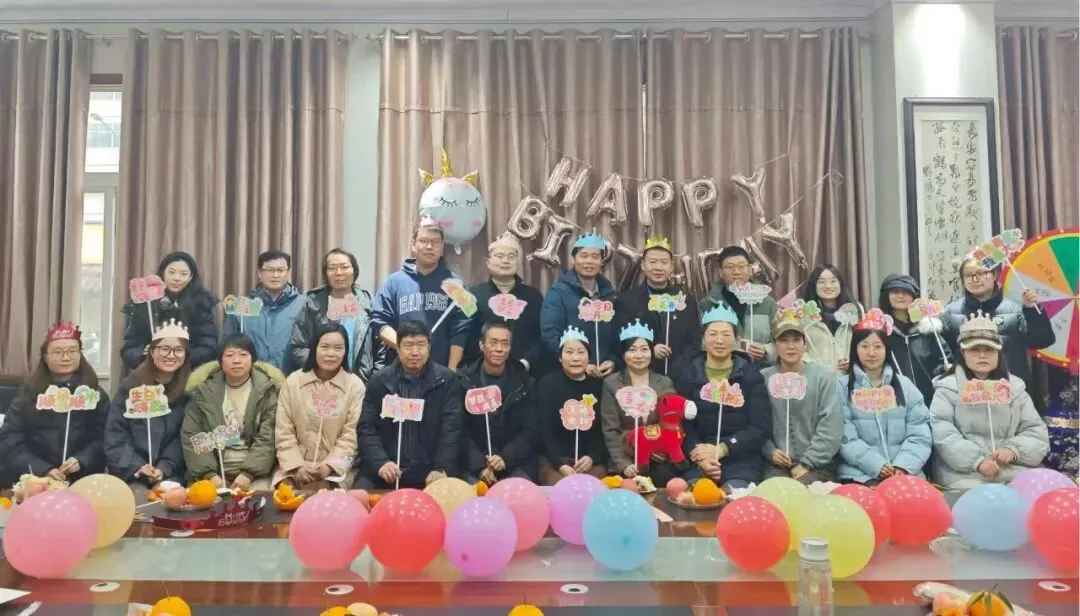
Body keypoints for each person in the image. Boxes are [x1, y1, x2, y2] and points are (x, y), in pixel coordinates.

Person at [930, 312, 1050, 490]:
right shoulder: (947, 389)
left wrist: (1013, 450)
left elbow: (1036, 432)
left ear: (998, 352)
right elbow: (944, 435)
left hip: (1012, 470)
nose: (982, 355)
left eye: (989, 349)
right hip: (964, 474)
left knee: (1040, 490)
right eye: (974, 349)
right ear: (963, 353)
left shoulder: (1015, 388)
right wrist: (977, 461)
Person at [355, 320, 463, 489]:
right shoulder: (379, 381)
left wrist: (441, 467)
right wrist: (381, 462)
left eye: (421, 345)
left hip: (429, 470)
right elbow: (366, 428)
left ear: (429, 347)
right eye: (408, 345)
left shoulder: (446, 380)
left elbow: (451, 428)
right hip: (386, 469)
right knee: (359, 495)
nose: (414, 352)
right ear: (397, 348)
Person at [674, 303, 771, 491]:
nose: (720, 340)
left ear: (736, 339)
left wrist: (723, 449)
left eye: (726, 335)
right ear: (703, 339)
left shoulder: (751, 375)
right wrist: (700, 456)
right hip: (698, 458)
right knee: (695, 495)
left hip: (740, 459)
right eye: (713, 334)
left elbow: (760, 426)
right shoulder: (687, 375)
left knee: (732, 496)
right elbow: (681, 423)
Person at [0, 322, 109, 487]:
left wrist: (82, 459)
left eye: (72, 351)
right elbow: (9, 439)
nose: (66, 357)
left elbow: (105, 437)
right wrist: (42, 469)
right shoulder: (29, 394)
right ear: (45, 356)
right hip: (35, 478)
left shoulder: (95, 394)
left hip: (83, 479)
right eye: (58, 352)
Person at [837, 309, 933, 486]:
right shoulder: (841, 387)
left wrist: (903, 466)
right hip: (860, 476)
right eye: (864, 346)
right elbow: (844, 437)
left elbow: (920, 433)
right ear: (855, 349)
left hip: (906, 475)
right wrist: (876, 466)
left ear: (886, 349)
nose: (871, 353)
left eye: (878, 346)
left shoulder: (905, 386)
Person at [601, 319, 698, 487]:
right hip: (625, 455)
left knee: (664, 478)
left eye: (644, 349)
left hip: (656, 457)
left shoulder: (664, 383)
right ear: (623, 354)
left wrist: (662, 448)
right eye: (632, 350)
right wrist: (624, 464)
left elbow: (671, 421)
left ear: (651, 352)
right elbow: (610, 429)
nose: (639, 355)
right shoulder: (611, 384)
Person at [181, 334, 282, 490]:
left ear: (253, 359)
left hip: (256, 473)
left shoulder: (267, 391)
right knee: (203, 499)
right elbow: (191, 435)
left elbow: (268, 438)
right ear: (220, 361)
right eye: (229, 355)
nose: (236, 360)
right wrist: (209, 475)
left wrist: (248, 474)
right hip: (214, 471)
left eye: (243, 354)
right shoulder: (203, 391)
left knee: (260, 497)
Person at [274, 322, 365, 489]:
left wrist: (329, 467)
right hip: (294, 468)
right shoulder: (293, 382)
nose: (331, 353)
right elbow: (284, 432)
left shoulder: (355, 386)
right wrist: (297, 467)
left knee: (329, 497)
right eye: (325, 347)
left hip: (336, 470)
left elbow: (351, 436)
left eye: (338, 348)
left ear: (345, 352)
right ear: (314, 348)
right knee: (285, 495)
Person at [372, 218, 469, 372]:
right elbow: (379, 322)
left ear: (442, 247)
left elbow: (461, 329)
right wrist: (407, 349)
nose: (429, 247)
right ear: (413, 245)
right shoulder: (393, 282)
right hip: (400, 372)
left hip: (441, 371)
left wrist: (451, 371)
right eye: (423, 241)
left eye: (435, 242)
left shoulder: (457, 284)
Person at [943, 258, 1055, 388]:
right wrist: (946, 369)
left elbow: (1042, 341)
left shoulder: (1015, 310)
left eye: (981, 273)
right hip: (968, 390)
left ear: (995, 275)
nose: (975, 279)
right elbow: (942, 352)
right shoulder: (951, 312)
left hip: (1009, 388)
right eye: (968, 275)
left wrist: (1032, 310)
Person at [760, 310, 843, 484]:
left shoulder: (823, 377)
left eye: (796, 340)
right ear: (774, 345)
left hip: (819, 465)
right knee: (776, 494)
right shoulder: (763, 378)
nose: (790, 346)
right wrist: (770, 451)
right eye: (784, 340)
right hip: (775, 464)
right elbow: (756, 423)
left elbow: (831, 426)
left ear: (805, 344)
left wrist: (807, 463)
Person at [106, 319, 191, 488]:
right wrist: (137, 466)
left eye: (178, 350)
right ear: (152, 351)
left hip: (174, 472)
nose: (171, 355)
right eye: (164, 349)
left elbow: (186, 436)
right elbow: (116, 433)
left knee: (169, 496)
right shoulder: (130, 386)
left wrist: (165, 467)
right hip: (133, 472)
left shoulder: (190, 389)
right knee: (138, 498)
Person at [458, 321, 537, 484]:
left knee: (520, 491)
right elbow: (459, 430)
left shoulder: (524, 382)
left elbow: (530, 431)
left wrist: (505, 458)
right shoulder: (464, 381)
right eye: (493, 343)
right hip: (473, 465)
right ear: (481, 345)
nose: (499, 349)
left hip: (513, 462)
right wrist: (480, 465)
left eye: (505, 343)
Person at [614, 236, 701, 375]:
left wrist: (680, 367)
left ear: (672, 266)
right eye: (652, 262)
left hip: (679, 375)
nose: (658, 267)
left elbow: (695, 341)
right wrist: (649, 349)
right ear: (643, 265)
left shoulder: (685, 300)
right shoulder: (627, 300)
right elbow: (620, 340)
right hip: (640, 374)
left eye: (664, 262)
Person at [120, 251, 218, 370]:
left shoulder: (201, 304)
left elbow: (208, 347)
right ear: (163, 273)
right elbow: (129, 348)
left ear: (191, 277)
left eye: (183, 274)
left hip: (189, 372)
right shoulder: (145, 304)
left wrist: (178, 357)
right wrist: (144, 355)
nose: (177, 278)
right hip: (150, 373)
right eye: (171, 272)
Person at [536, 326, 609, 485]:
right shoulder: (547, 384)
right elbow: (544, 430)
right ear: (560, 357)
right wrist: (560, 463)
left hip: (589, 461)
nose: (575, 358)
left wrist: (592, 457)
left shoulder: (598, 386)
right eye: (569, 352)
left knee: (593, 486)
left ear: (589, 357)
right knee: (560, 486)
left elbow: (604, 429)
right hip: (555, 460)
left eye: (581, 352)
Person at [540, 231, 618, 378]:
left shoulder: (610, 295)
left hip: (606, 375)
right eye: (584, 256)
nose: (589, 261)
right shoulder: (558, 292)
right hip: (571, 375)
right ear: (573, 260)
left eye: (595, 256)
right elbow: (550, 333)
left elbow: (618, 333)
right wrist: (577, 364)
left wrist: (614, 360)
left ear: (602, 262)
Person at [463, 233, 545, 374]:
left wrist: (527, 361)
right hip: (481, 372)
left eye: (511, 257)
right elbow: (466, 335)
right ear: (488, 262)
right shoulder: (473, 295)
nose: (506, 261)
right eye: (499, 256)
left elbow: (540, 336)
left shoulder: (533, 296)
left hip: (525, 372)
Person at [289, 248, 374, 381]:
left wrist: (373, 382)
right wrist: (321, 371)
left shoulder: (369, 303)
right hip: (320, 382)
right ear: (326, 273)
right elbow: (298, 347)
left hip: (361, 382)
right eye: (332, 268)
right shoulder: (312, 304)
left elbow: (380, 351)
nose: (339, 273)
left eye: (344, 267)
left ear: (354, 270)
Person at [222, 250, 307, 373]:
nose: (275, 275)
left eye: (280, 270)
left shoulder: (304, 304)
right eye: (270, 270)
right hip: (251, 378)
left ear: (288, 272)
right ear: (259, 273)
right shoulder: (240, 307)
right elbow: (228, 347)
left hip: (292, 378)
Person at [877, 273, 951, 406]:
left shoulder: (928, 329)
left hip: (929, 401)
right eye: (895, 291)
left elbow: (942, 361)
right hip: (892, 402)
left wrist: (943, 370)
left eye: (906, 292)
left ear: (914, 297)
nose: (901, 296)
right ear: (886, 295)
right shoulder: (880, 331)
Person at [699, 245, 778, 365]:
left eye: (741, 266)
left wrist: (766, 351)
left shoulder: (767, 303)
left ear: (750, 269)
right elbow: (700, 343)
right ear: (720, 272)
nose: (736, 272)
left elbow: (782, 339)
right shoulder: (708, 303)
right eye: (730, 267)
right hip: (723, 371)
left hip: (760, 371)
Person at [802, 264, 862, 374]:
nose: (828, 286)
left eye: (833, 281)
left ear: (841, 284)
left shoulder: (853, 312)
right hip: (816, 379)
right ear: (814, 286)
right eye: (821, 282)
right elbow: (797, 349)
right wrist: (811, 365)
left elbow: (864, 344)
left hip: (847, 379)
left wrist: (854, 362)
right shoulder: (804, 315)